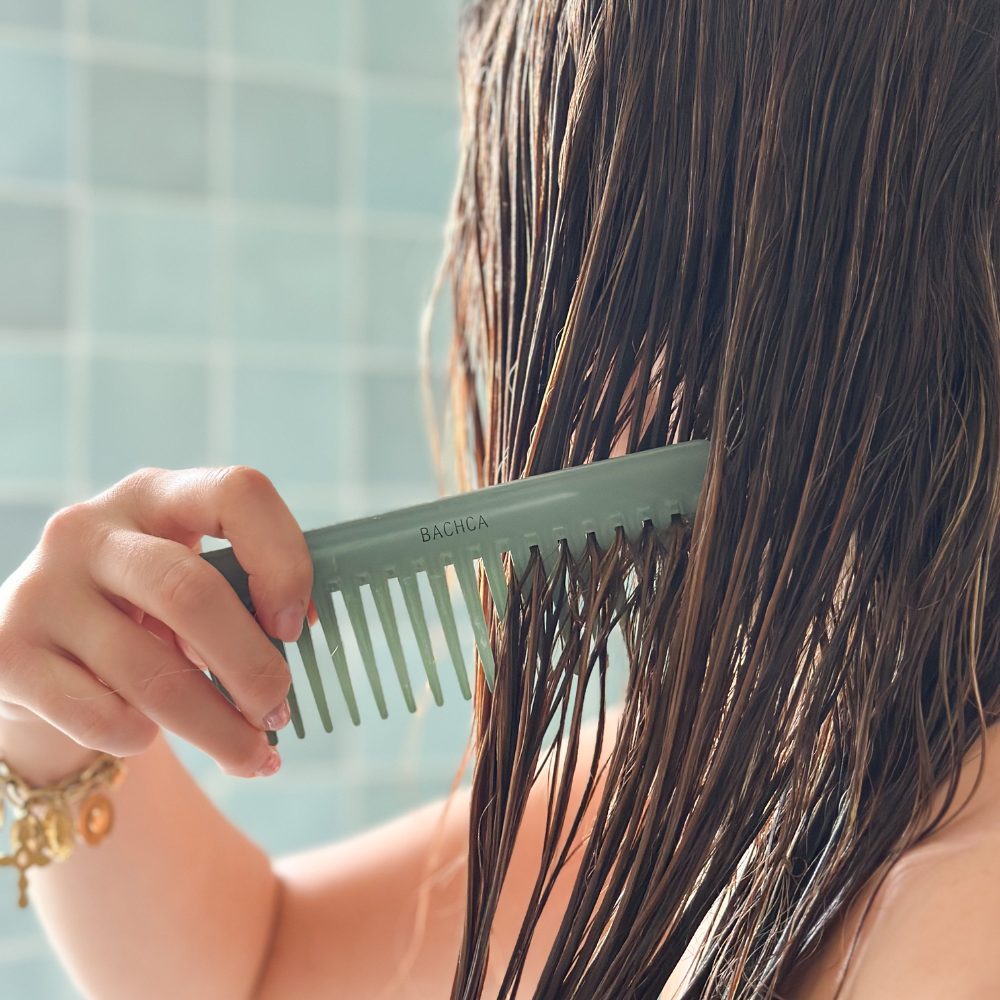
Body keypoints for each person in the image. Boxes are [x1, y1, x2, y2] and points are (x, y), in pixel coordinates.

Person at [2, 0, 1000, 997]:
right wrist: (51, 720)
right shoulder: (778, 769)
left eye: (628, 287)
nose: (583, 399)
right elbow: (252, 964)